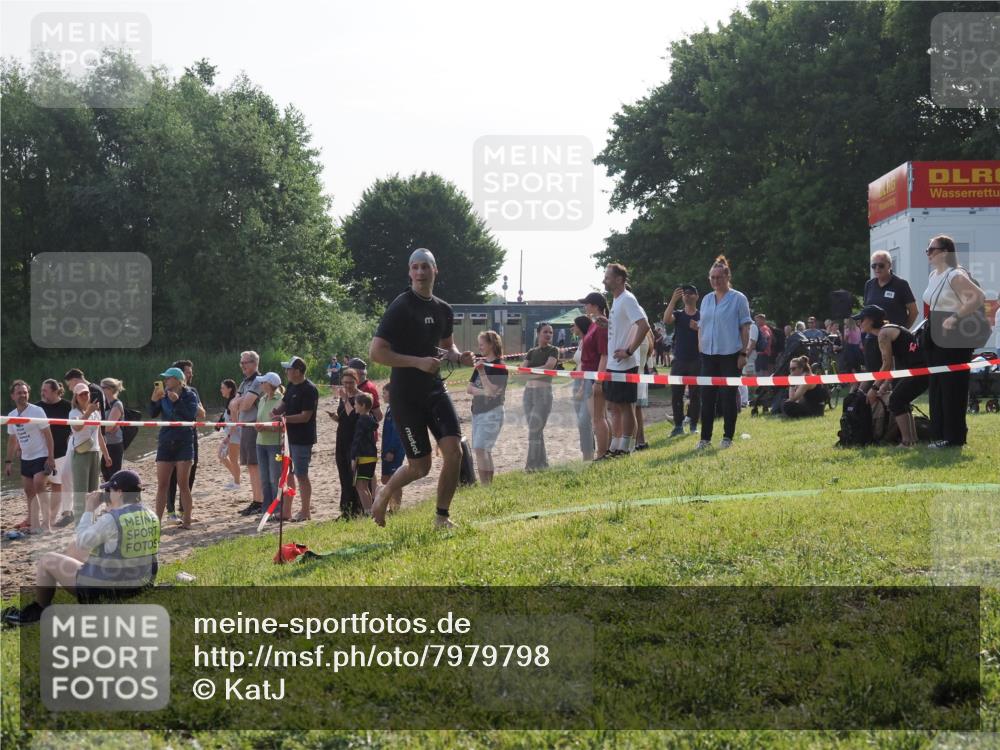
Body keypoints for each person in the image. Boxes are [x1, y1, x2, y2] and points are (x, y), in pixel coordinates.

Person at [369, 248, 475, 528]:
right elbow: (377, 352)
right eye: (415, 267)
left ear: (435, 270)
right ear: (409, 272)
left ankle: (442, 517)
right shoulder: (401, 306)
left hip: (435, 390)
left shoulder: (443, 309)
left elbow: (446, 345)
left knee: (455, 452)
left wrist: (457, 356)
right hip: (407, 397)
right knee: (420, 467)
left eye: (425, 267)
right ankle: (386, 490)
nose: (419, 273)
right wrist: (417, 362)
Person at [1, 470, 159, 626]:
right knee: (73, 550)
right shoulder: (151, 515)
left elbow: (82, 541)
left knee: (46, 559)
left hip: (111, 591)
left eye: (109, 490)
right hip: (142, 583)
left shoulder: (112, 519)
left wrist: (89, 509)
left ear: (119, 492)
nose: (107, 494)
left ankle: (39, 610)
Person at [922, 235, 986, 449]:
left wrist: (955, 317)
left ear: (945, 252)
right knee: (937, 386)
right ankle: (938, 434)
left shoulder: (955, 274)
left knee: (952, 387)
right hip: (935, 334)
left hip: (954, 337)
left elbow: (977, 297)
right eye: (928, 250)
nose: (928, 253)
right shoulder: (933, 275)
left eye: (932, 249)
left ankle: (954, 437)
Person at [696, 255, 752, 450]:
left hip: (730, 354)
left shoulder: (738, 298)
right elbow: (702, 326)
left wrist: (743, 354)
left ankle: (727, 437)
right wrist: (700, 349)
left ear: (727, 277)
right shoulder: (706, 299)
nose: (715, 281)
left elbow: (746, 328)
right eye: (712, 277)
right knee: (707, 397)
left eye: (719, 277)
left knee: (728, 397)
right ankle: (705, 439)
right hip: (708, 355)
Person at [854, 304, 928, 447]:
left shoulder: (883, 334)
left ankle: (907, 442)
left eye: (861, 319)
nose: (859, 323)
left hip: (918, 370)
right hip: (916, 370)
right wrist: (887, 383)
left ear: (870, 320)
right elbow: (892, 364)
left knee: (896, 401)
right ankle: (912, 440)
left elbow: (886, 364)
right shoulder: (888, 330)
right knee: (902, 401)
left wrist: (874, 388)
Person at [602, 264, 650, 457]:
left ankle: (626, 448)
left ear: (619, 279)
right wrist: (607, 323)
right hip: (614, 364)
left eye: (607, 277)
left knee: (626, 407)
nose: (604, 280)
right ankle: (615, 446)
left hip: (625, 364)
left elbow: (644, 325)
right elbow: (625, 326)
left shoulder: (628, 299)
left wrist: (629, 351)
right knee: (615, 406)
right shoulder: (617, 300)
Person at [150, 367, 198, 528]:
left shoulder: (189, 394)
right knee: (162, 484)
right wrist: (154, 399)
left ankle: (187, 521)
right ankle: (157, 521)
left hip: (184, 442)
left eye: (168, 378)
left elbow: (191, 416)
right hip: (165, 441)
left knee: (183, 484)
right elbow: (151, 414)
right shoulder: (163, 394)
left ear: (178, 380)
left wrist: (177, 400)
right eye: (164, 378)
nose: (165, 381)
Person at [271, 356, 318, 521]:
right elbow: (284, 403)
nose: (286, 372)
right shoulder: (291, 386)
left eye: (289, 369)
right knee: (287, 474)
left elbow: (305, 417)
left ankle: (306, 511)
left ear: (298, 371)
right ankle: (286, 512)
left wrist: (283, 419)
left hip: (302, 438)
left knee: (301, 475)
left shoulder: (310, 389)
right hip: (288, 437)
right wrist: (276, 412)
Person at [5, 380, 55, 532]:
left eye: (25, 392)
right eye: (19, 392)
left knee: (39, 484)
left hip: (41, 455)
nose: (23, 395)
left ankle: (47, 524)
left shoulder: (37, 411)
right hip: (26, 458)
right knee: (28, 490)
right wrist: (8, 461)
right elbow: (12, 440)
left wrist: (51, 457)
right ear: (13, 396)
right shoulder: (12, 415)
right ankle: (34, 522)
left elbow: (48, 435)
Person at [863, 250, 918, 371]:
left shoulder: (901, 284)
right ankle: (874, 390)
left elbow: (914, 312)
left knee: (896, 379)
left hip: (895, 340)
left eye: (881, 265)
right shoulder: (869, 285)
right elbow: (866, 312)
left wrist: (902, 331)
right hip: (873, 338)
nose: (877, 268)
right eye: (874, 266)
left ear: (889, 265)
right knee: (874, 375)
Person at [165, 360, 205, 522]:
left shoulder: (192, 392)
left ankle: (184, 510)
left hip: (190, 435)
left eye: (191, 371)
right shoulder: (166, 392)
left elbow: (202, 413)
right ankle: (170, 512)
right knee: (171, 476)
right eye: (188, 372)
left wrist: (188, 405)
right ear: (179, 375)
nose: (191, 374)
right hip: (171, 437)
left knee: (189, 474)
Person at [467, 330, 509, 482]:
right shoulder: (481, 363)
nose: (479, 347)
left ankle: (486, 485)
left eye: (482, 344)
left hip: (492, 412)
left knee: (481, 449)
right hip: (477, 412)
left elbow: (492, 392)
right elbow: (469, 388)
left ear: (491, 344)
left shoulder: (499, 366)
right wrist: (483, 391)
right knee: (483, 450)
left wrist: (482, 373)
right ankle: (488, 486)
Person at [68, 382, 112, 523]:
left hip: (94, 452)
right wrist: (88, 412)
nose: (85, 396)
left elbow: (99, 435)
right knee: (81, 491)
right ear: (76, 397)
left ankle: (91, 520)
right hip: (81, 454)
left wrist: (106, 454)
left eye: (86, 393)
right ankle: (80, 523)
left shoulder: (96, 413)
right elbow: (77, 427)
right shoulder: (73, 413)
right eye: (81, 394)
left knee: (94, 490)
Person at [663, 284, 701, 438]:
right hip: (679, 360)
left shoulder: (702, 315)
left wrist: (699, 328)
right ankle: (678, 426)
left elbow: (711, 334)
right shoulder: (678, 314)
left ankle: (693, 425)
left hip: (697, 360)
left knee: (695, 394)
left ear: (697, 296)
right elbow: (666, 319)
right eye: (685, 293)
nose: (687, 295)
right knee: (676, 394)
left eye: (691, 293)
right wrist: (673, 300)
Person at [579, 291, 612, 459]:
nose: (585, 306)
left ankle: (602, 453)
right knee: (600, 417)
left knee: (598, 418)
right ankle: (606, 451)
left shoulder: (600, 325)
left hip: (595, 374)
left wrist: (598, 381)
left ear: (595, 306)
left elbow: (604, 355)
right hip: (590, 374)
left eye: (587, 303)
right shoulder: (594, 324)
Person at [522, 323, 559, 470]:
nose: (548, 334)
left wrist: (530, 370)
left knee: (534, 429)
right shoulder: (531, 351)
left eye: (550, 332)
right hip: (528, 394)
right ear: (538, 333)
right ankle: (542, 464)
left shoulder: (553, 350)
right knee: (535, 430)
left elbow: (548, 367)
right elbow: (522, 370)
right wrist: (532, 371)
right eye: (545, 332)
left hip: (543, 394)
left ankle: (530, 466)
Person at [37, 379, 73, 528]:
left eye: (45, 390)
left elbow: (75, 426)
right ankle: (43, 517)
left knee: (58, 485)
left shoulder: (67, 406)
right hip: (41, 452)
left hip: (62, 452)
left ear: (55, 391)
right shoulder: (38, 407)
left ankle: (53, 518)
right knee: (38, 484)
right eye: (42, 390)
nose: (42, 393)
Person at [232, 351, 264, 516]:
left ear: (254, 363)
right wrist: (239, 401)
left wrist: (239, 401)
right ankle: (256, 500)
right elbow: (233, 404)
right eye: (241, 362)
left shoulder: (259, 381)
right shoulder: (245, 382)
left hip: (253, 425)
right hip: (245, 426)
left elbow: (244, 406)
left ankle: (260, 501)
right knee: (250, 466)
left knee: (254, 465)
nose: (243, 365)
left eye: (246, 362)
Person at [328, 367, 362, 518]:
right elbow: (344, 417)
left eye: (350, 382)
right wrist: (334, 416)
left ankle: (356, 509)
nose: (347, 386)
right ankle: (346, 509)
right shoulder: (346, 397)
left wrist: (345, 399)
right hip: (342, 438)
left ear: (356, 381)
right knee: (343, 474)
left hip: (355, 440)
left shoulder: (361, 397)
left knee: (352, 475)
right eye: (345, 383)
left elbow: (354, 415)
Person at [253, 372, 287, 520]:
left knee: (275, 478)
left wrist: (267, 428)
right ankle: (266, 510)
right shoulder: (262, 399)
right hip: (260, 443)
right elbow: (259, 419)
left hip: (275, 443)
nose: (260, 385)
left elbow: (283, 424)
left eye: (263, 382)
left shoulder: (281, 400)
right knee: (264, 479)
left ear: (269, 384)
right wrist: (258, 426)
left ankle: (278, 509)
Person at [567, 317, 595, 460]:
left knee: (584, 420)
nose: (572, 328)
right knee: (582, 421)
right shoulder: (580, 342)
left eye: (575, 325)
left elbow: (588, 366)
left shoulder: (588, 342)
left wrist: (583, 388)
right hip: (577, 381)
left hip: (586, 382)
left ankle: (588, 455)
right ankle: (588, 452)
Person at [351, 392, 378, 514]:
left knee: (361, 486)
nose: (354, 406)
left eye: (355, 404)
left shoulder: (362, 420)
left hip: (364, 457)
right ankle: (370, 510)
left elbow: (357, 440)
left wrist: (353, 458)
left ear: (362, 405)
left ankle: (369, 512)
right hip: (371, 456)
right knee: (364, 485)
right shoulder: (370, 418)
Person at [380, 384, 405, 511]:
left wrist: (391, 450)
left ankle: (395, 508)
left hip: (395, 450)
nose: (382, 395)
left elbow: (397, 432)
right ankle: (392, 507)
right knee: (388, 479)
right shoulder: (391, 408)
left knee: (395, 479)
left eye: (384, 393)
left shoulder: (396, 409)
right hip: (388, 448)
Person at [216, 379, 241, 490]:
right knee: (221, 455)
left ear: (229, 389)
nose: (221, 390)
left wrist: (229, 436)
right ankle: (236, 479)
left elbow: (235, 423)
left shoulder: (233, 402)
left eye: (223, 388)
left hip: (234, 435)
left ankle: (237, 483)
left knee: (233, 459)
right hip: (231, 434)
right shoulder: (230, 401)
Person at [99, 378, 126, 481]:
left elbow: (109, 427)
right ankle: (108, 496)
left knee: (113, 476)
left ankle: (114, 497)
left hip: (114, 444)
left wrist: (94, 431)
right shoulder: (104, 404)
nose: (100, 390)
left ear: (109, 389)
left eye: (102, 388)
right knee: (105, 473)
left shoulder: (117, 404)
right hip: (105, 444)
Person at [634, 327, 655, 450]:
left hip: (636, 376)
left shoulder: (639, 336)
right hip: (641, 375)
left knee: (633, 411)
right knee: (637, 411)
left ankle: (637, 441)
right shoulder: (647, 336)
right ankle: (640, 440)